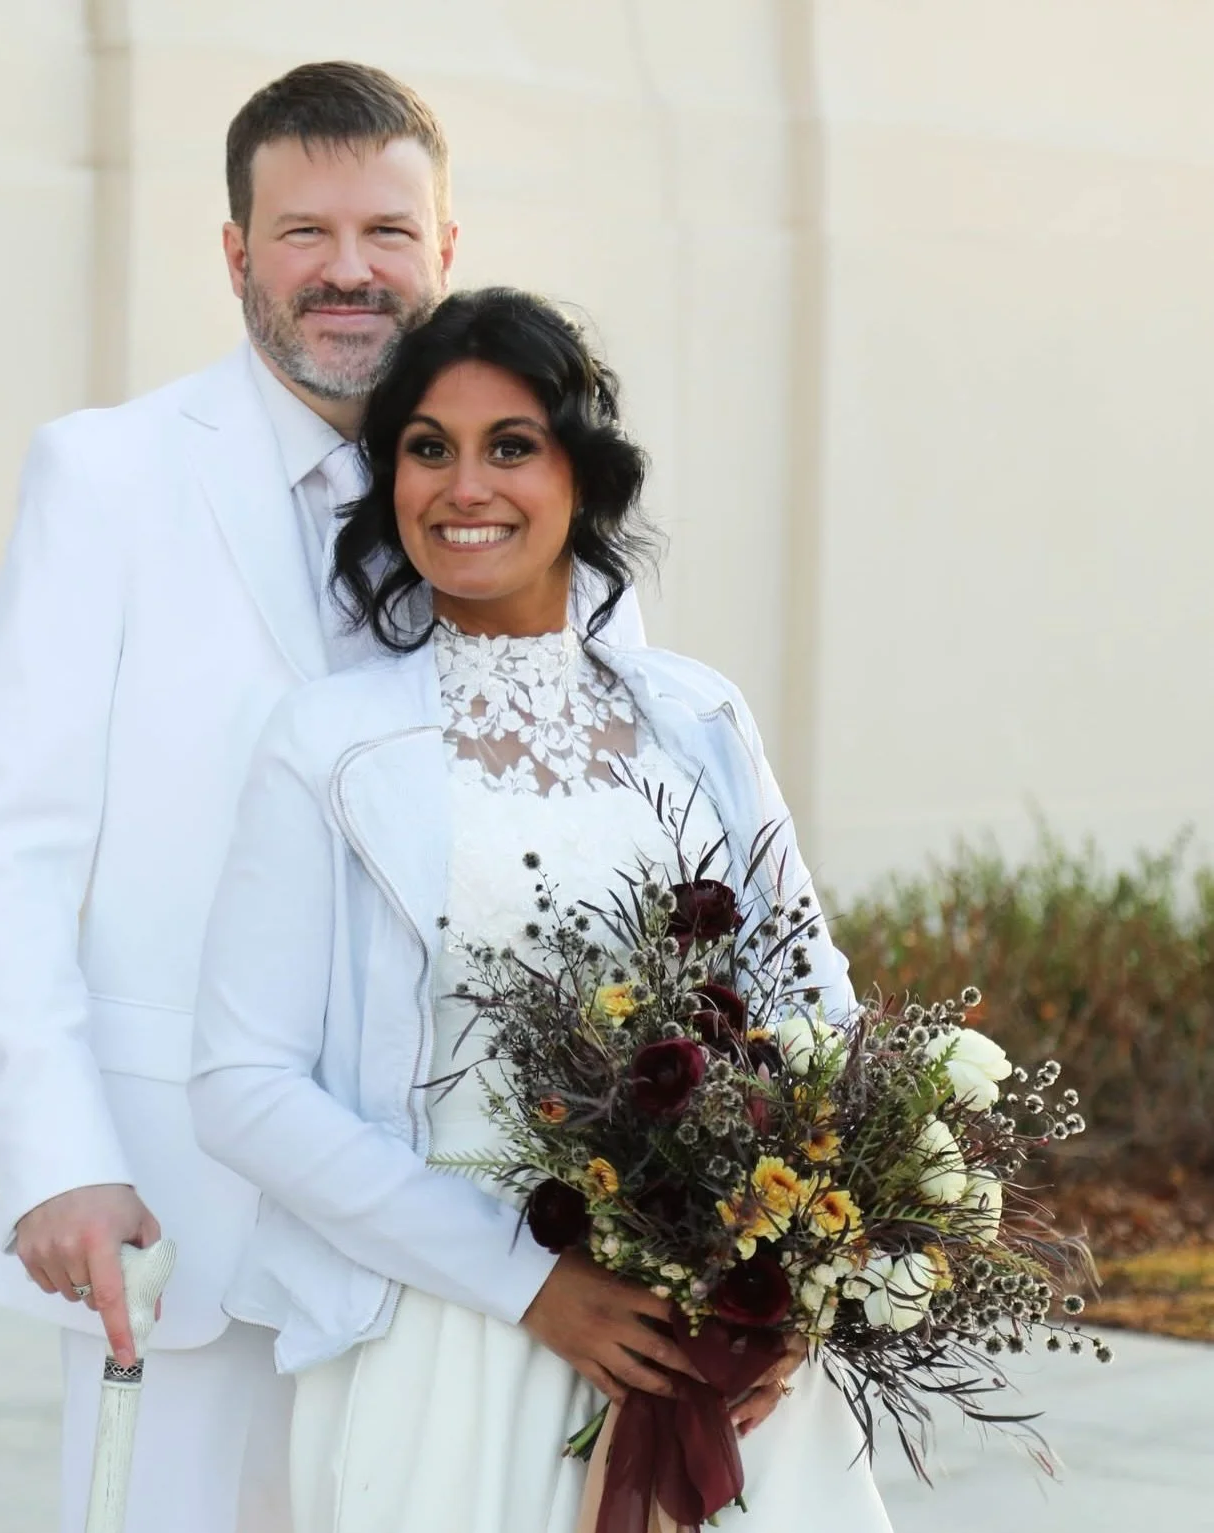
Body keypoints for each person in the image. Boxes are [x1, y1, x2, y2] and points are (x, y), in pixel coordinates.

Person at [0, 65, 647, 1533]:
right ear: (235, 251)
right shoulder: (108, 475)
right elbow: (3, 853)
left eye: (386, 230)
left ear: (444, 248)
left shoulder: (523, 498)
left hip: (481, 1226)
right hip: (183, 1219)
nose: (346, 269)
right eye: (301, 230)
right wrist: (59, 1159)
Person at [189, 288, 892, 1532]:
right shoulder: (330, 744)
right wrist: (530, 1283)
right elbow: (242, 1083)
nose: (467, 487)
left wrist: (801, 1289)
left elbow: (815, 1013)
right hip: (450, 1336)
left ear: (585, 472)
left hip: (718, 1341)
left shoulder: (700, 719)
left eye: (512, 444)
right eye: (427, 448)